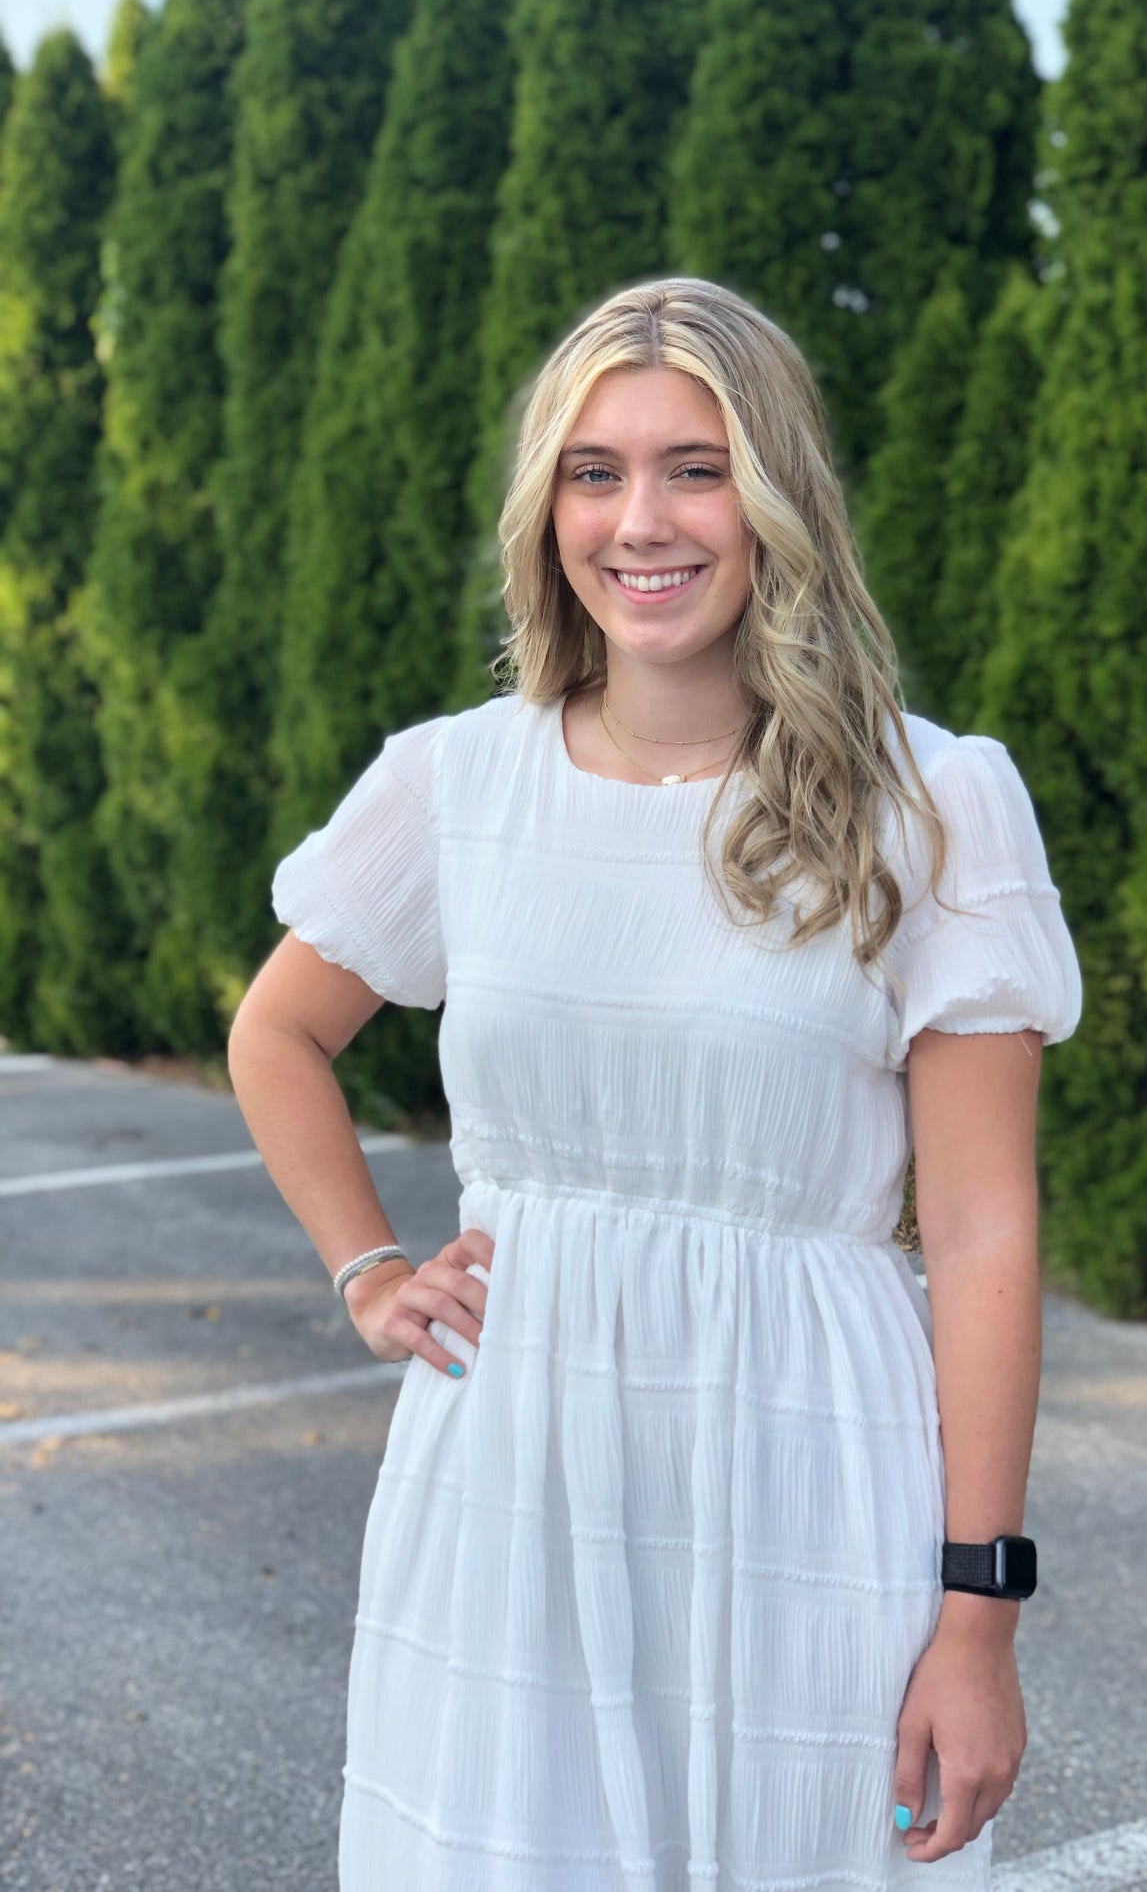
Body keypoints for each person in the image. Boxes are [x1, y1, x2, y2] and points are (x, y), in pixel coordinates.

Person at [227, 275, 1083, 1892]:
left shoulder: (934, 803)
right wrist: (371, 1270)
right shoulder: (453, 784)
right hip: (508, 1486)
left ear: (774, 503)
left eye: (695, 466)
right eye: (594, 470)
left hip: (811, 1480)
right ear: (548, 507)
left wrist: (977, 1614)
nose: (642, 521)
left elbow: (980, 1232)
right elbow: (275, 1035)